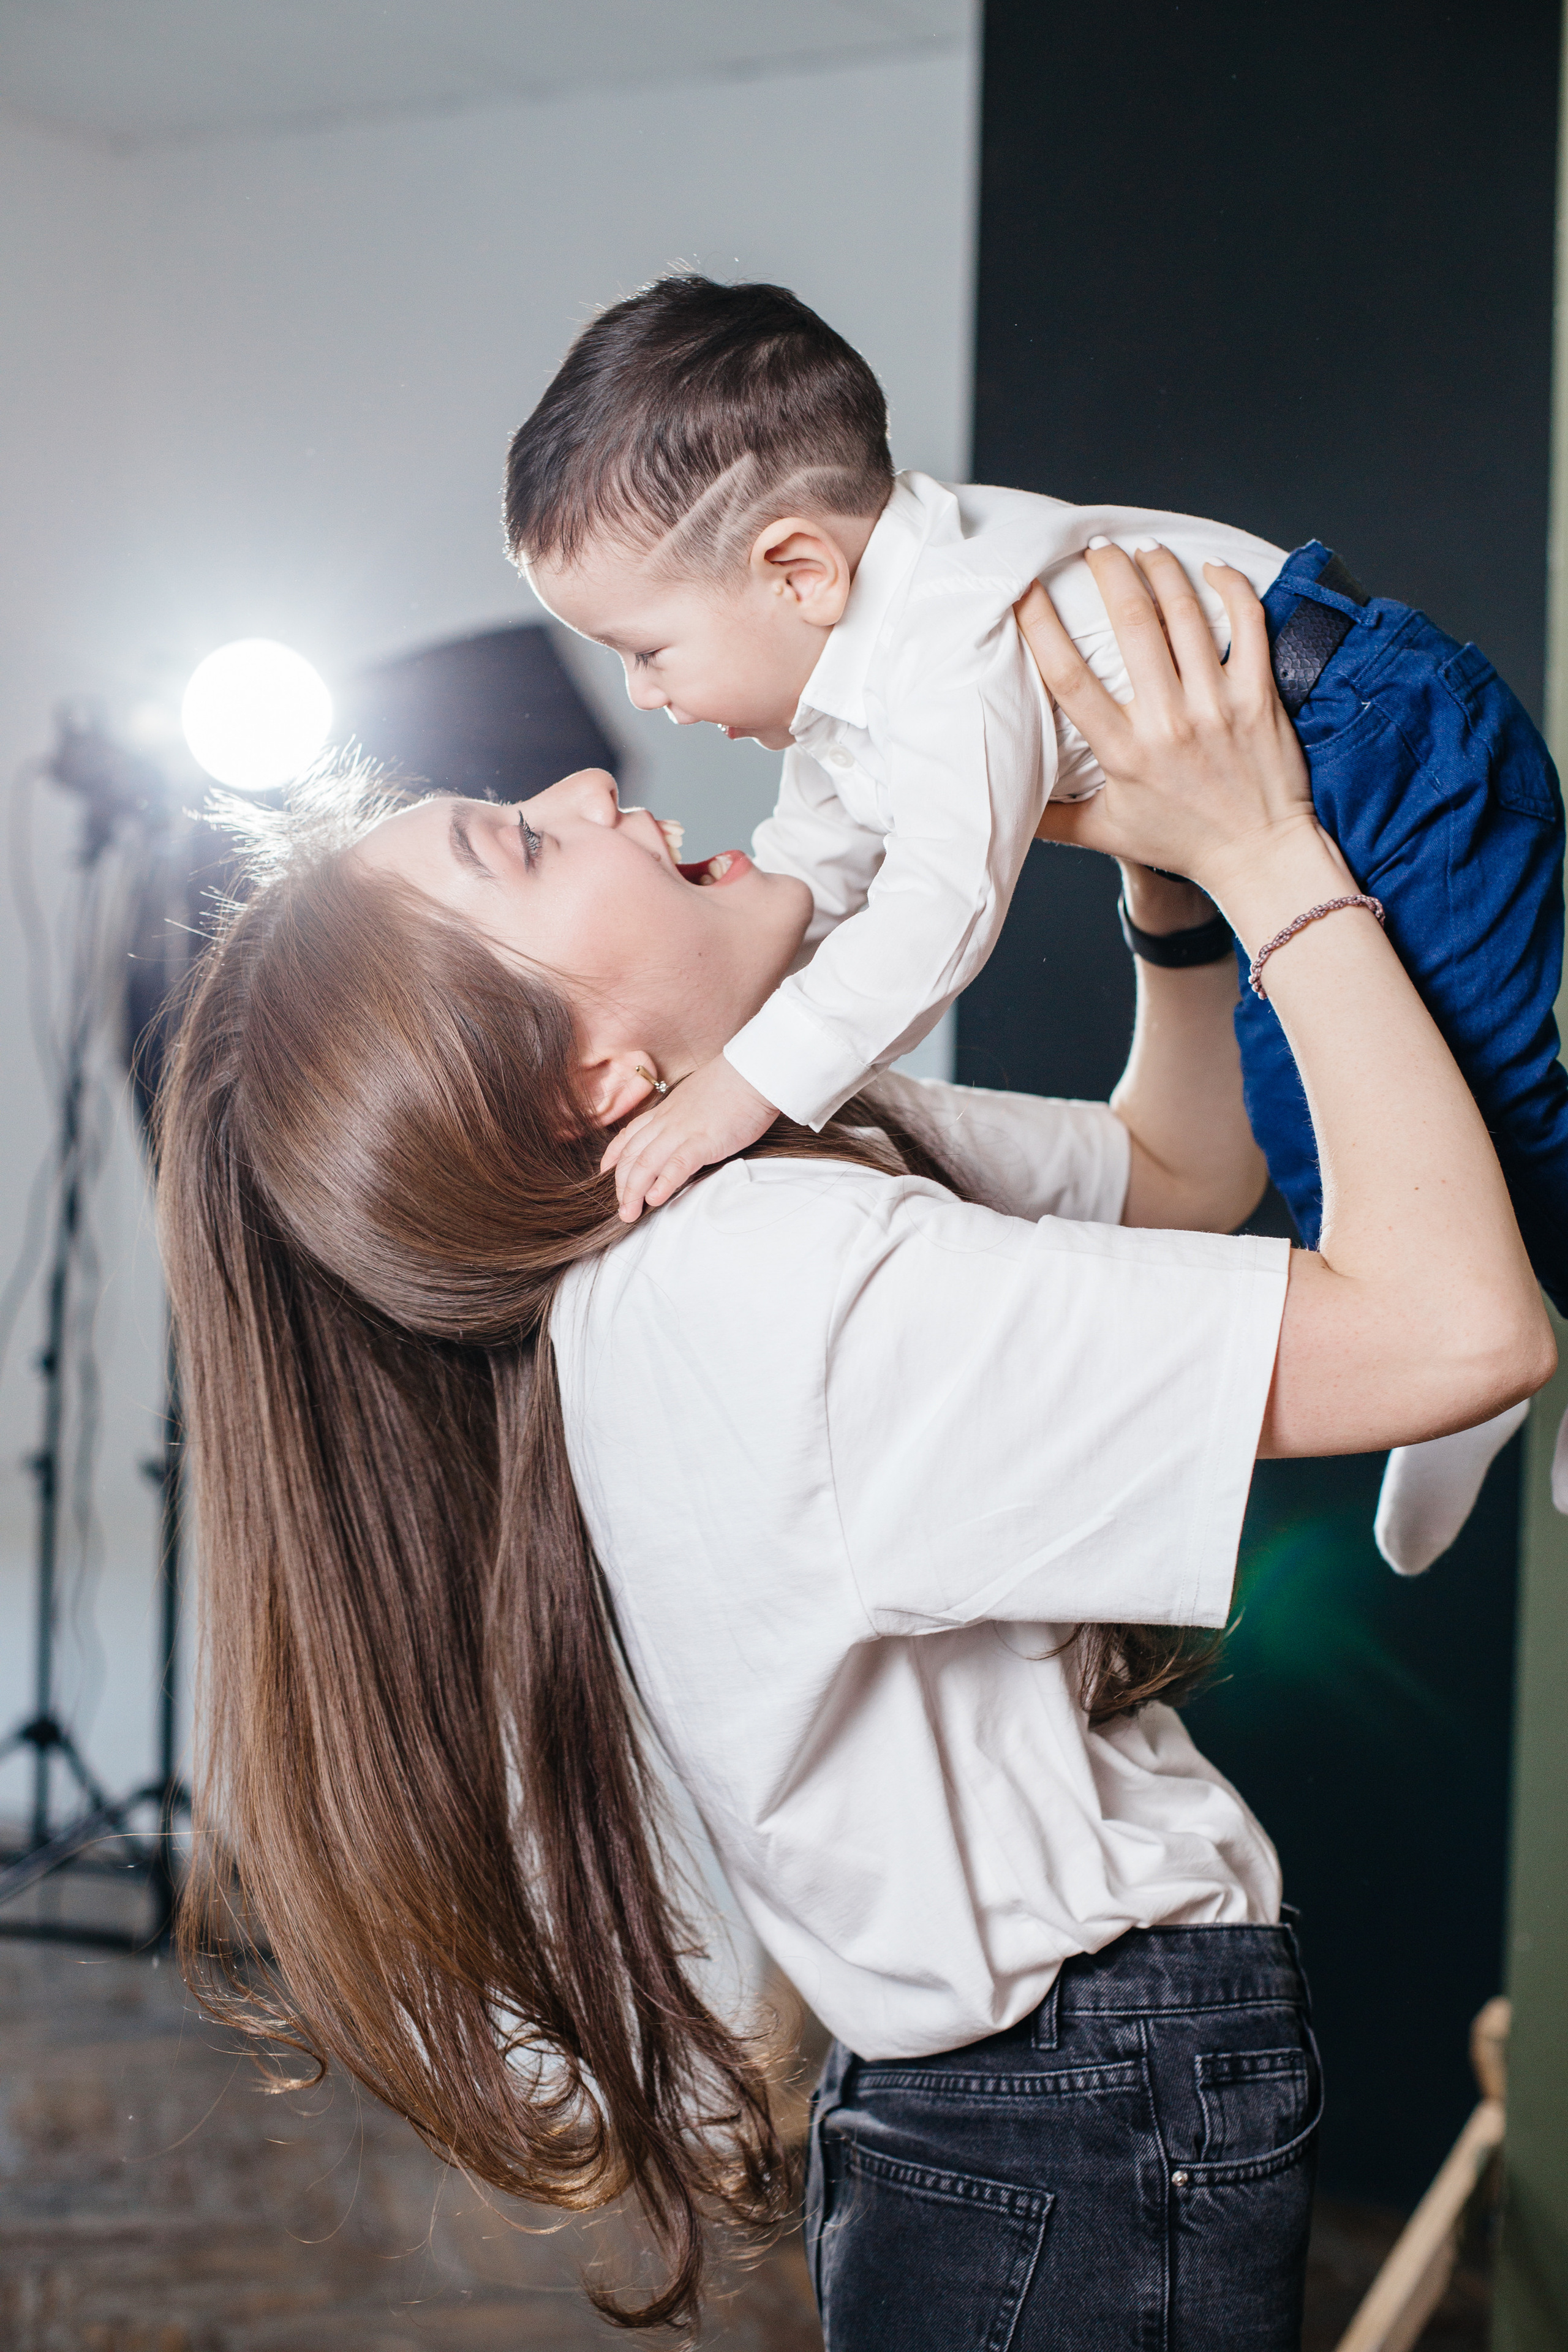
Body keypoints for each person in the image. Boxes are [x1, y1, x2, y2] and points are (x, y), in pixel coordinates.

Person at [157, 546, 1552, 2349]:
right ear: (590, 1085)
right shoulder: (771, 1287)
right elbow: (1468, 1333)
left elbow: (1183, 1176)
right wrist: (1269, 854)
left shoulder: (757, 1179)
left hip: (1028, 2123)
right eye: (519, 841)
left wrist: (1167, 886)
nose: (594, 785)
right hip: (1078, 2128)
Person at [505, 274, 1568, 1578]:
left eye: (648, 650)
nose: (639, 701)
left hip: (1384, 738)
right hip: (1315, 769)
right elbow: (807, 868)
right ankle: (1472, 1352)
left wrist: (741, 1083)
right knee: (1311, 1114)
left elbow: (937, 911)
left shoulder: (947, 647)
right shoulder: (853, 686)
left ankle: (1483, 1343)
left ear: (795, 569)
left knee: (1491, 1092)